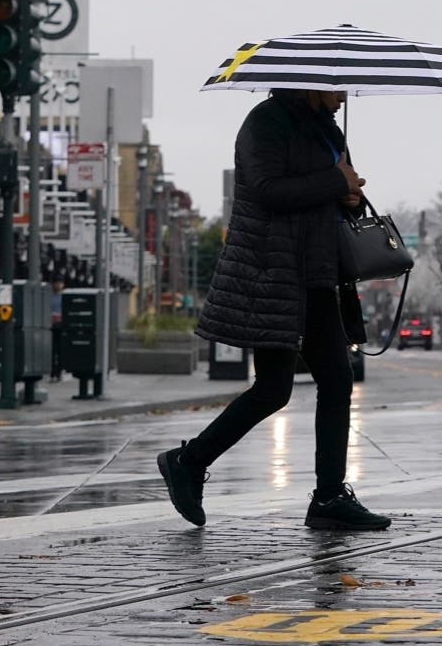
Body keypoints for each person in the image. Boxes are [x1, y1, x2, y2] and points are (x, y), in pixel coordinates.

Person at [156, 88, 390, 531]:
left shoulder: (327, 130)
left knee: (338, 379)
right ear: (311, 84)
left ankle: (328, 497)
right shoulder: (264, 122)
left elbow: (330, 190)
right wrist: (334, 183)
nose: (343, 95)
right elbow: (267, 191)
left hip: (318, 273)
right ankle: (186, 462)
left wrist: (349, 196)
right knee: (273, 388)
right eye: (337, 86)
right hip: (273, 273)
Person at [50, 280, 65, 382]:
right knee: (52, 350)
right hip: (51, 325)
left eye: (60, 283)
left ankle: (58, 372)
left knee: (60, 350)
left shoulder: (63, 297)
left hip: (60, 325)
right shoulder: (50, 297)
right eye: (56, 283)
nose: (58, 285)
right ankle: (53, 372)